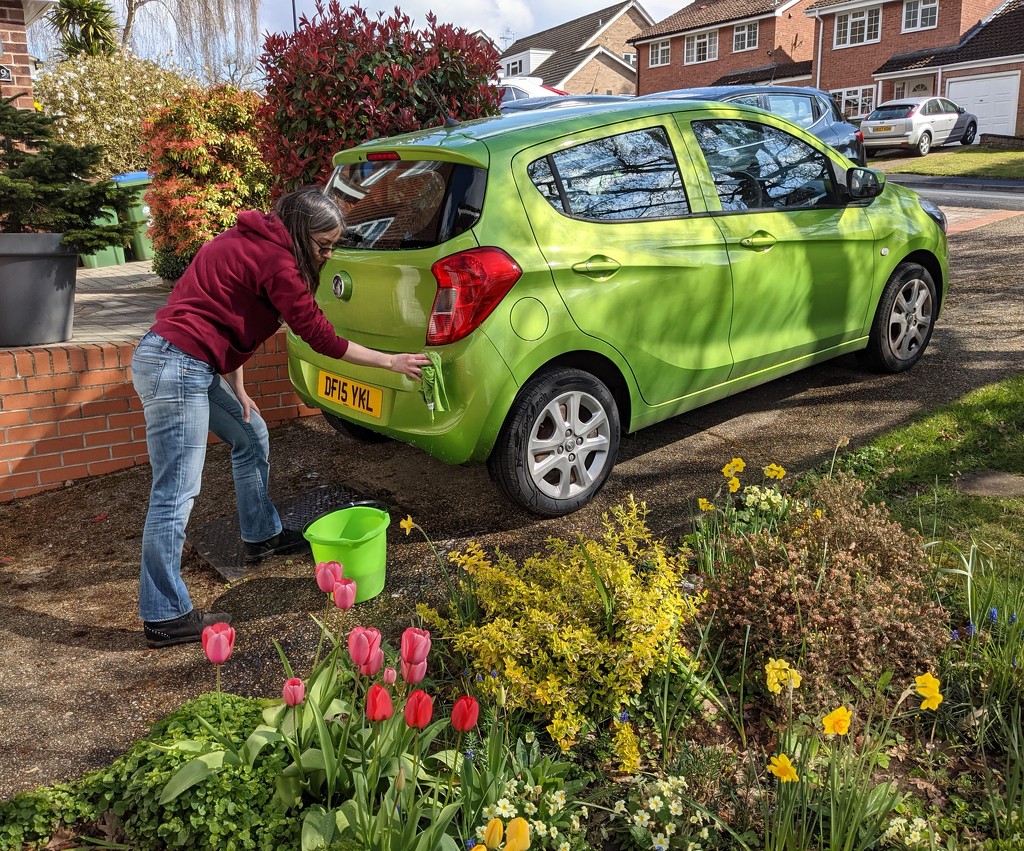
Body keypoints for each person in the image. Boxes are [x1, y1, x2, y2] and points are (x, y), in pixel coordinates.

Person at [131, 187, 429, 648]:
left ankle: (261, 534)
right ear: (297, 231)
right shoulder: (278, 262)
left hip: (185, 361)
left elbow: (228, 315)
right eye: (323, 245)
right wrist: (391, 362)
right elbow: (320, 337)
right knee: (175, 492)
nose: (328, 254)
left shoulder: (245, 239)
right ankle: (164, 616)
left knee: (251, 433)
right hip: (179, 368)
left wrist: (240, 387)